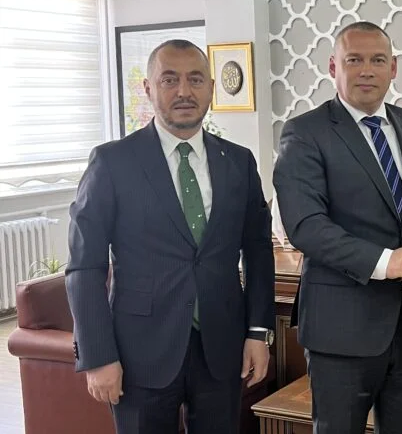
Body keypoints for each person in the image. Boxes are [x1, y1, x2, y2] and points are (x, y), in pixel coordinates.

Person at [66, 39, 276, 434]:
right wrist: (98, 355)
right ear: (148, 88)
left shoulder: (239, 161)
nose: (184, 91)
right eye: (169, 80)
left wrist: (257, 332)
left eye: (195, 79)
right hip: (139, 353)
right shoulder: (112, 162)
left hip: (222, 348)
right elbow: (84, 267)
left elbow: (258, 252)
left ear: (210, 87)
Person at [273, 21, 402, 434]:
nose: (367, 70)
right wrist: (385, 261)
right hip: (341, 330)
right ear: (334, 66)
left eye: (378, 60)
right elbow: (305, 226)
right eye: (354, 60)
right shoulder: (304, 132)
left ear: (393, 68)